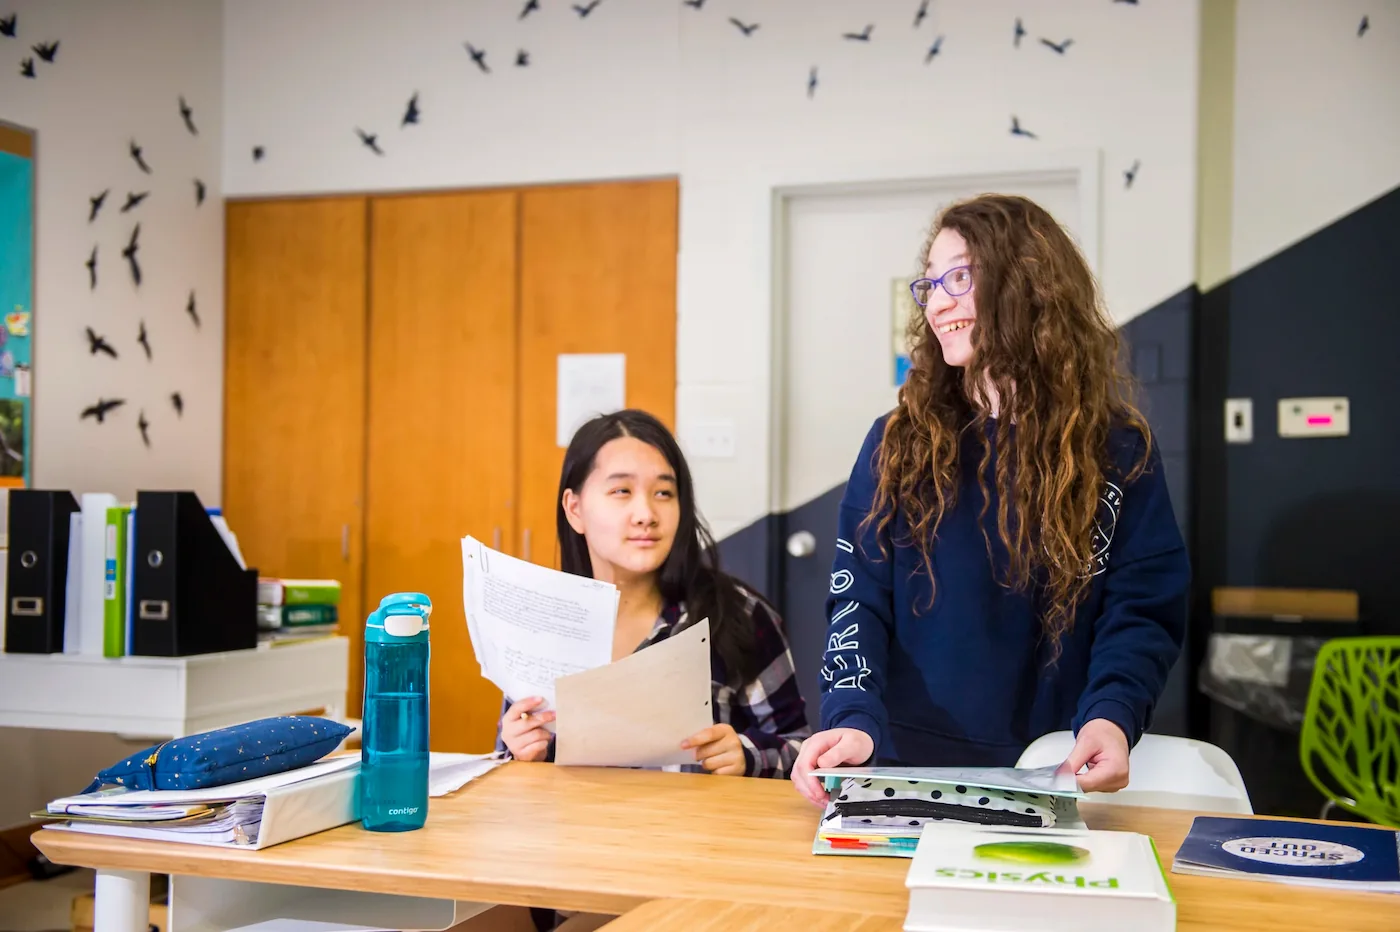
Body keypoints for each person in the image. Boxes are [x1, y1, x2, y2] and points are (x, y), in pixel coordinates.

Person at [791, 193, 1189, 805]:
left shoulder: (1117, 449)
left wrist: (1112, 713)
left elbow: (1141, 609)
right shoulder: (897, 442)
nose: (938, 302)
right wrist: (850, 716)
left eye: (959, 277)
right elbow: (858, 600)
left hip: (1054, 768)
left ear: (1025, 283)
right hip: (903, 765)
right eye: (929, 286)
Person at [497, 408, 810, 779]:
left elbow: (802, 750)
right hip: (575, 835)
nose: (646, 513)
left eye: (664, 492)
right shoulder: (541, 627)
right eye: (621, 491)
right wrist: (517, 750)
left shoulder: (739, 616)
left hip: (698, 834)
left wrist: (747, 754)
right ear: (575, 509)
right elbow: (512, 766)